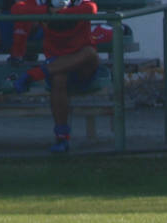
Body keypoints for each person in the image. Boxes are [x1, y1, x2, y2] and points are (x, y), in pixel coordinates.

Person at [7, 0, 101, 154]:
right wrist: (48, 10)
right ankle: (61, 137)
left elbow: (91, 8)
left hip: (82, 63)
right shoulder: (43, 2)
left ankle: (35, 74)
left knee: (90, 53)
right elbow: (17, 9)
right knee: (59, 78)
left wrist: (57, 13)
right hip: (56, 62)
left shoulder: (78, 2)